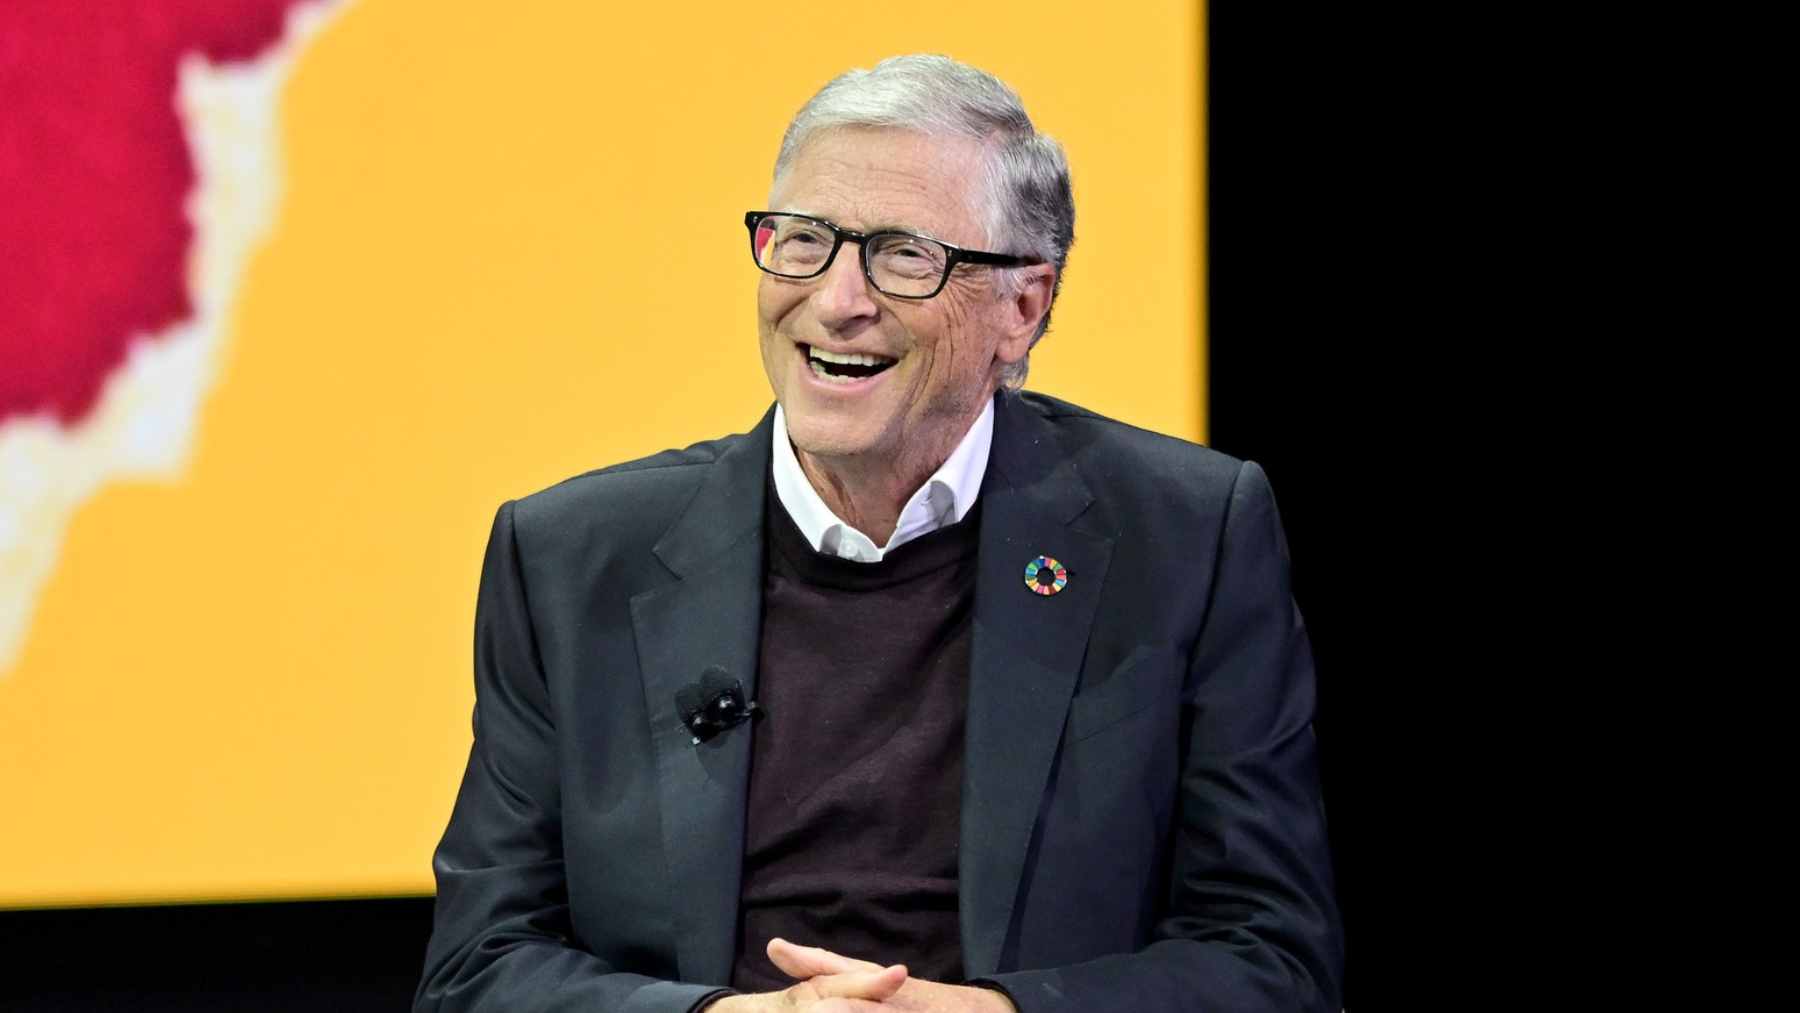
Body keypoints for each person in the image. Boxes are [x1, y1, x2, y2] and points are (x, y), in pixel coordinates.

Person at [415, 54, 1342, 1013]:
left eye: (903, 254)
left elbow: (1273, 958)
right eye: (804, 240)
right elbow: (478, 968)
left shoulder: (1186, 536)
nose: (836, 299)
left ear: (1022, 308)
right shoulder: (571, 555)